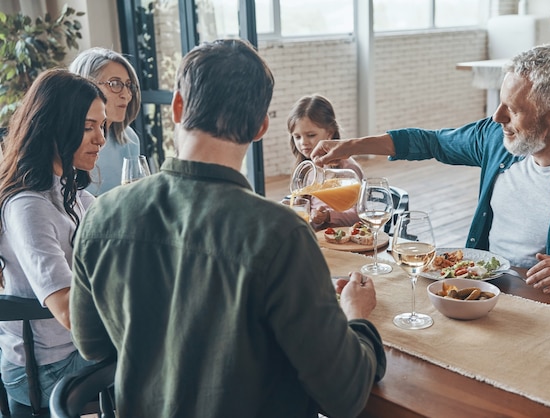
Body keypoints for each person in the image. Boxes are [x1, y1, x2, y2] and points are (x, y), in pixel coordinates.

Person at [70, 39, 386, 418]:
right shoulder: (281, 234)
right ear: (261, 127)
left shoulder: (101, 216)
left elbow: (92, 345)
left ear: (177, 107)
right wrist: (357, 317)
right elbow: (345, 396)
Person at [311, 44, 550, 294]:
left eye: (512, 110)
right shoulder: (496, 139)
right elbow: (431, 142)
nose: (496, 116)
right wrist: (352, 146)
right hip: (484, 290)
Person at [0, 68, 106, 408]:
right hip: (45, 368)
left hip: (73, 352)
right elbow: (68, 312)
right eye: (88, 127)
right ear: (53, 126)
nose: (101, 138)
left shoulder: (72, 193)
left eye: (102, 126)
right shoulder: (28, 205)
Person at [69, 47, 142, 195]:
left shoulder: (130, 139)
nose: (127, 95)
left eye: (129, 85)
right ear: (86, 86)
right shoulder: (66, 141)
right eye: (115, 84)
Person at [287, 94, 364, 230]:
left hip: (340, 237)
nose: (303, 142)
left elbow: (359, 214)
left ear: (329, 133)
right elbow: (304, 206)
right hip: (315, 236)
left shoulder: (348, 169)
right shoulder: (306, 168)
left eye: (311, 135)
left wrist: (328, 216)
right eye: (297, 137)